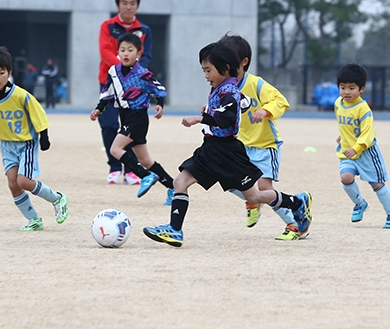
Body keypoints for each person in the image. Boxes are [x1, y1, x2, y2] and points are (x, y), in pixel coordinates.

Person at [142, 41, 312, 247]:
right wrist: (223, 107)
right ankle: (175, 230)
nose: (205, 75)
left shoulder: (228, 90)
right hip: (209, 149)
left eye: (208, 70)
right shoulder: (221, 88)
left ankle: (296, 202)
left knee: (255, 195)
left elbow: (227, 118)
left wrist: (201, 117)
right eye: (203, 70)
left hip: (227, 152)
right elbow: (242, 103)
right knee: (180, 182)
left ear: (225, 68)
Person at [0, 46, 69, 231]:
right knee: (12, 183)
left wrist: (45, 137)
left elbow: (38, 114)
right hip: (7, 145)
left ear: (9, 72)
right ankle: (34, 219)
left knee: (23, 181)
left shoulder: (20, 95)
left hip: (27, 143)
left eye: (1, 72)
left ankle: (57, 198)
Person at [219, 34, 304, 240]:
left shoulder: (256, 84)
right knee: (228, 181)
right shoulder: (223, 88)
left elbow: (281, 101)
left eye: (228, 63)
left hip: (266, 146)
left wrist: (266, 110)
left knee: (265, 188)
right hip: (241, 147)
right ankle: (253, 200)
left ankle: (296, 225)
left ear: (243, 62)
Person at [90, 33, 174, 204]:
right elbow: (107, 94)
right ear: (117, 53)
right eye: (122, 50)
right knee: (145, 160)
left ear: (139, 54)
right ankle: (174, 188)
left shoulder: (144, 74)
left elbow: (159, 89)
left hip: (139, 118)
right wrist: (98, 109)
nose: (126, 53)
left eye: (130, 50)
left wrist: (159, 104)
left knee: (115, 149)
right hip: (125, 117)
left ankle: (145, 176)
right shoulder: (113, 71)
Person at [98, 0, 152, 186]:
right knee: (109, 124)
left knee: (130, 128)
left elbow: (146, 56)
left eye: (132, 3)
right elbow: (105, 51)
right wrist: (122, 70)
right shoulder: (108, 26)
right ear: (118, 5)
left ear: (137, 6)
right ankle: (114, 167)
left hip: (135, 88)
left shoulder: (144, 30)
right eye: (124, 3)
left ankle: (131, 169)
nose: (128, 7)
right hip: (110, 82)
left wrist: (135, 74)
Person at [334, 63, 390, 228]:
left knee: (376, 184)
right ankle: (360, 203)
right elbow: (346, 125)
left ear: (361, 89)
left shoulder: (363, 108)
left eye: (351, 88)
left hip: (366, 153)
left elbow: (368, 133)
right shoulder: (338, 104)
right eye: (343, 87)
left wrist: (356, 148)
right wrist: (342, 136)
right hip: (347, 152)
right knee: (345, 177)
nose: (346, 92)